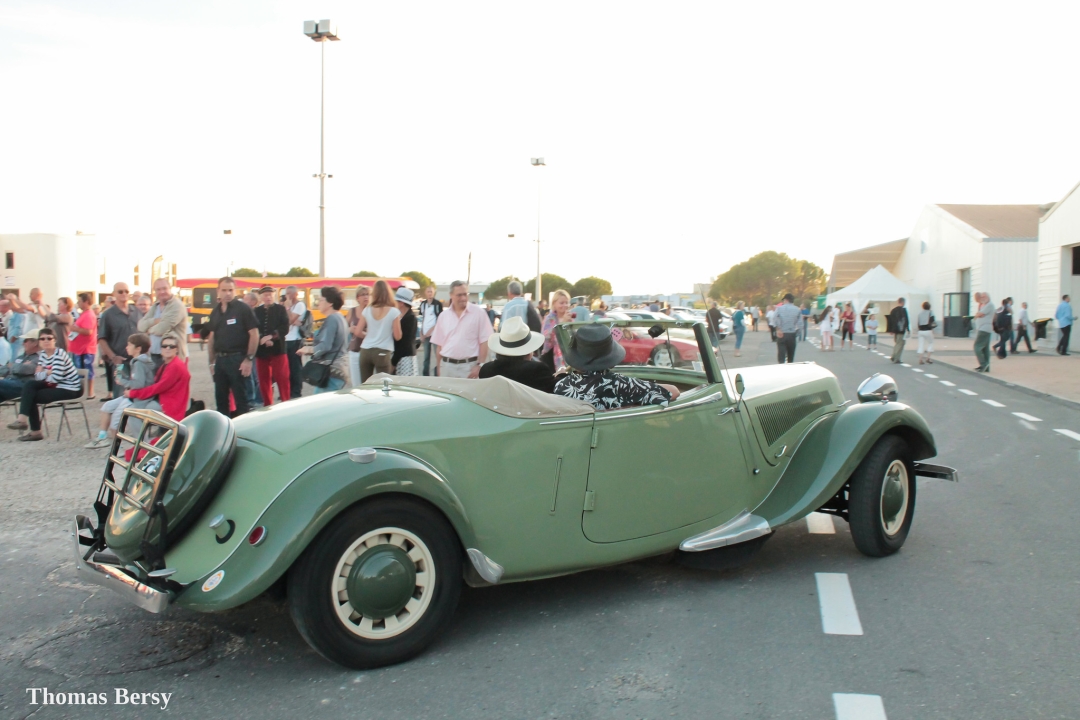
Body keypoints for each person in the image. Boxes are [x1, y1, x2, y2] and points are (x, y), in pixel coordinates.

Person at [554, 324, 680, 410]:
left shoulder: (561, 386)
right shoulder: (622, 385)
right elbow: (674, 392)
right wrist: (640, 386)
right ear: (611, 360)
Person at [8, 328, 82, 441]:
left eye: (49, 338)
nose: (46, 341)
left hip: (70, 389)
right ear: (39, 341)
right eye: (42, 339)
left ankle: (35, 431)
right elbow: (37, 376)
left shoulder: (59, 354)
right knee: (29, 384)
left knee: (32, 396)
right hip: (56, 385)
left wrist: (45, 372)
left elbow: (55, 378)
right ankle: (22, 420)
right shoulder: (43, 354)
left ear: (54, 340)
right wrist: (48, 372)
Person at [85, 332, 156, 448]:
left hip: (136, 398)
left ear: (138, 348)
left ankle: (119, 449)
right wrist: (123, 377)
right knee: (107, 407)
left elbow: (138, 384)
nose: (126, 347)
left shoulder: (139, 363)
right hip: (132, 395)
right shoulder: (138, 361)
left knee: (115, 424)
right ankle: (103, 437)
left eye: (129, 345)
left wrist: (122, 381)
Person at [205, 277, 259, 417]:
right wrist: (211, 362)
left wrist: (249, 359)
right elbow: (212, 338)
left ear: (235, 291)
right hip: (220, 361)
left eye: (230, 290)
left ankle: (244, 429)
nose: (227, 293)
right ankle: (224, 429)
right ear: (218, 291)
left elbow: (254, 334)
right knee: (221, 401)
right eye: (224, 290)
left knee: (242, 402)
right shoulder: (215, 312)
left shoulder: (243, 309)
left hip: (238, 360)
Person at [431, 280, 493, 379]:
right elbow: (439, 345)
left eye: (465, 294)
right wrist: (439, 367)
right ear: (451, 295)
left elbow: (485, 341)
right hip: (447, 368)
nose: (463, 298)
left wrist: (480, 365)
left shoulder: (479, 313)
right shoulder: (443, 316)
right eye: (459, 295)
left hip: (469, 368)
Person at [478, 316, 555, 393]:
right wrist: (559, 376)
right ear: (528, 352)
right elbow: (552, 393)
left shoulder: (486, 370)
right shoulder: (537, 370)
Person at [126, 334, 190, 421]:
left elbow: (158, 388)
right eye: (164, 346)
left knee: (133, 414)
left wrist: (133, 393)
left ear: (177, 349)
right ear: (161, 349)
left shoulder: (175, 366)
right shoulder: (167, 364)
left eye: (171, 346)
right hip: (163, 400)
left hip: (169, 405)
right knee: (132, 410)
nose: (168, 348)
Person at [297, 286, 349, 393]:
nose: (318, 303)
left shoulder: (332, 319)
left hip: (331, 372)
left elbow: (326, 346)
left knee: (320, 401)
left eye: (321, 300)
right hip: (338, 370)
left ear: (330, 303)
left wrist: (309, 350)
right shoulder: (340, 317)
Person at [354, 280, 402, 383]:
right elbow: (398, 336)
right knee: (384, 385)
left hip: (365, 351)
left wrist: (369, 335)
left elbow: (357, 332)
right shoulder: (394, 312)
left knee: (366, 385)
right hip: (383, 351)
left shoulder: (367, 310)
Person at [97, 283, 139, 399]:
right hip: (120, 362)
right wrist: (113, 357)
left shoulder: (136, 311)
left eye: (126, 291)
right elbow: (102, 339)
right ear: (114, 294)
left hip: (137, 361)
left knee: (137, 393)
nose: (124, 294)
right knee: (120, 394)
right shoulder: (108, 314)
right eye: (120, 291)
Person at [137, 278, 189, 366]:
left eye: (164, 288)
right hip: (154, 355)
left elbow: (162, 329)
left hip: (172, 356)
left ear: (170, 288)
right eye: (158, 289)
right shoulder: (156, 306)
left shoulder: (177, 306)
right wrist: (154, 321)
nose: (162, 292)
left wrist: (148, 330)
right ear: (155, 291)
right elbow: (140, 326)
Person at [254, 285, 291, 405]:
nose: (268, 297)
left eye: (270, 295)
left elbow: (285, 327)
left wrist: (271, 337)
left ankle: (286, 403)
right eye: (266, 295)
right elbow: (254, 328)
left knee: (282, 378)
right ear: (261, 297)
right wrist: (262, 338)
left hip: (278, 349)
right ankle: (267, 404)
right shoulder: (256, 311)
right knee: (263, 380)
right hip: (261, 350)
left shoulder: (280, 309)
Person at [68, 293, 98, 399]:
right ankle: (83, 392)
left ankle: (89, 392)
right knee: (81, 371)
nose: (78, 303)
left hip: (86, 349)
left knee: (87, 371)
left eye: (80, 301)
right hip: (79, 349)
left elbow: (88, 331)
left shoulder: (89, 315)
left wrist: (74, 329)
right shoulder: (84, 314)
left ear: (86, 302)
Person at [0, 330, 41, 403]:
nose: (23, 343)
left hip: (23, 386)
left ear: (35, 343)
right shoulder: (21, 357)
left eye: (25, 341)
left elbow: (24, 369)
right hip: (10, 383)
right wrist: (16, 366)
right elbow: (2, 370)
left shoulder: (39, 358)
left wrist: (11, 367)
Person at [540, 289, 574, 371]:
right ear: (554, 304)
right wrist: (562, 324)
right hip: (552, 358)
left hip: (569, 357)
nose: (564, 305)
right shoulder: (549, 319)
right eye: (561, 303)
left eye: (566, 302)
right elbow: (547, 339)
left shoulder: (570, 317)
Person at [284, 286, 307, 399]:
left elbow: (289, 320)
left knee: (295, 367)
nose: (287, 296)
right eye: (286, 293)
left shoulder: (299, 305)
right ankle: (289, 390)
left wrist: (287, 308)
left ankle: (296, 391)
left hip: (295, 339)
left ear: (295, 294)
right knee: (286, 367)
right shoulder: (288, 306)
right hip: (286, 339)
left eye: (289, 293)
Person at [347, 285, 371, 387]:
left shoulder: (372, 311)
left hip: (369, 351)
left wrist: (361, 333)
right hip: (355, 351)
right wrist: (350, 329)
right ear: (358, 298)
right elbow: (344, 329)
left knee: (368, 383)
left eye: (367, 294)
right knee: (356, 384)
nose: (366, 297)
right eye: (363, 295)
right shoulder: (352, 311)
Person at [392, 287, 418, 376]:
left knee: (404, 383)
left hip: (405, 359)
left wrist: (393, 362)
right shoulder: (401, 316)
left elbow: (404, 343)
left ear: (401, 303)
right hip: (401, 357)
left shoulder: (410, 318)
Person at [418, 286, 443, 376]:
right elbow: (422, 319)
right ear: (426, 292)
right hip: (425, 334)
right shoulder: (423, 304)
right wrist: (421, 333)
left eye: (431, 292)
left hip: (435, 334)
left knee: (438, 356)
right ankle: (425, 375)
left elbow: (440, 320)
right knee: (426, 357)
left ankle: (438, 374)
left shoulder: (438, 304)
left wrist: (431, 331)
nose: (430, 293)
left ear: (434, 293)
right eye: (428, 291)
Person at [774, 293, 802, 364]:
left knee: (781, 355)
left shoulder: (779, 309)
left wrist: (778, 328)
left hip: (782, 333)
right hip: (792, 333)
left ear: (786, 300)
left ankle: (781, 366)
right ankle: (789, 366)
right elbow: (800, 324)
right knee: (790, 356)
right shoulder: (797, 310)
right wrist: (797, 333)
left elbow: (775, 318)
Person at [972, 292, 994, 371]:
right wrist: (979, 315)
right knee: (985, 348)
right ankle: (986, 366)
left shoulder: (989, 305)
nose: (983, 298)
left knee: (977, 346)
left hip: (984, 329)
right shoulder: (984, 305)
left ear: (988, 297)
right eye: (982, 296)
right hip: (984, 328)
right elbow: (980, 314)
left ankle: (983, 364)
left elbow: (980, 314)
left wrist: (978, 315)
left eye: (984, 296)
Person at [888, 298, 910, 364]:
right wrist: (908, 329)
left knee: (897, 343)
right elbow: (906, 320)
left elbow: (890, 320)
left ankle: (895, 357)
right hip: (901, 330)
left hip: (895, 330)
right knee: (900, 344)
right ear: (903, 302)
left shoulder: (893, 310)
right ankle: (895, 357)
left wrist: (891, 330)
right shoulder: (903, 310)